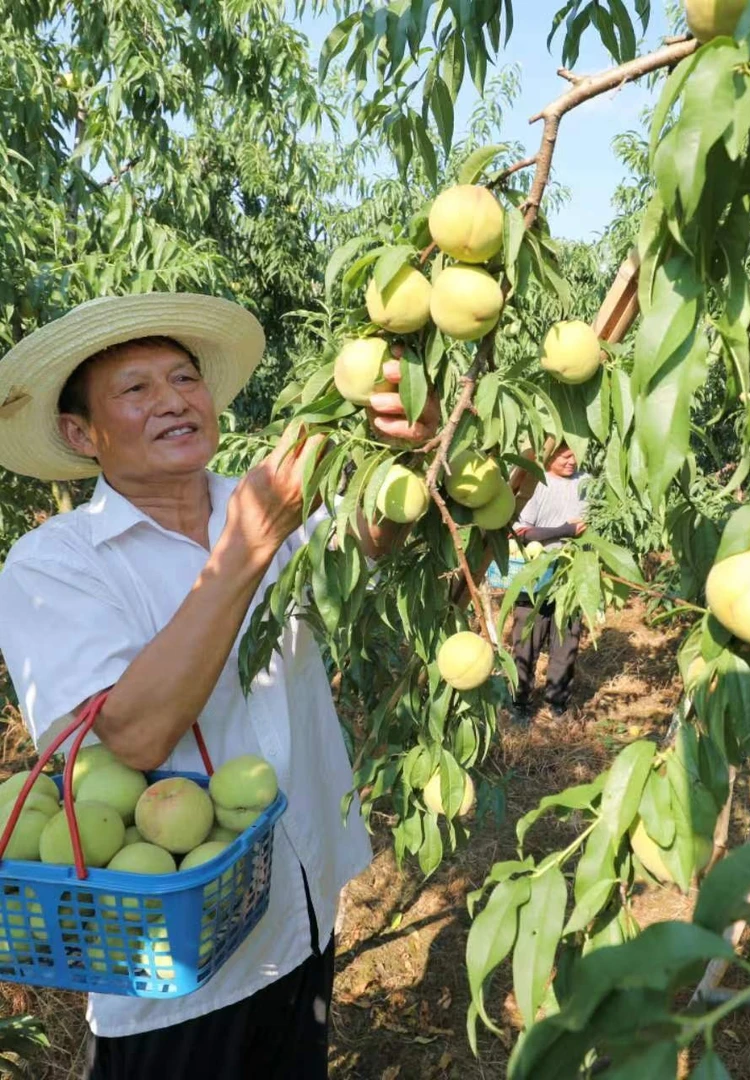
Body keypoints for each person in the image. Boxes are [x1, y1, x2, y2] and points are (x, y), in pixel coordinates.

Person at [0, 292, 440, 1079]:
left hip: (299, 911)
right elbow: (134, 735)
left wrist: (403, 455)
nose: (174, 400)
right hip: (171, 971)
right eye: (136, 389)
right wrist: (249, 545)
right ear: (81, 434)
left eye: (184, 378)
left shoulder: (260, 499)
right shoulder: (55, 565)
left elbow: (368, 540)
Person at [509, 442, 589, 721]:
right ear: (549, 454)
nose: (572, 461)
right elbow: (520, 532)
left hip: (572, 573)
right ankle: (519, 703)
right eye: (565, 456)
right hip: (534, 574)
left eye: (575, 455)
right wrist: (565, 530)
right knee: (526, 641)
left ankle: (557, 703)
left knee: (567, 641)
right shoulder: (535, 482)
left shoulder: (586, 483)